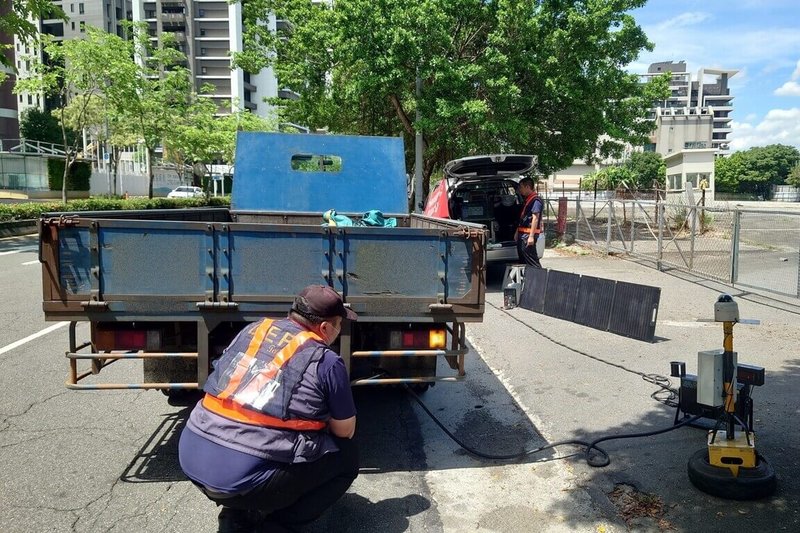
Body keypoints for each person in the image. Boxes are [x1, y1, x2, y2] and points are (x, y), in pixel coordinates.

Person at [179, 285, 360, 532]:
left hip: (191, 455)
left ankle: (236, 516)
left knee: (252, 438)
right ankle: (275, 526)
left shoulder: (253, 330)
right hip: (241, 479)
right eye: (339, 324)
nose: (339, 330)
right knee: (346, 457)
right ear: (325, 328)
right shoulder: (326, 361)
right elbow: (344, 430)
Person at [514, 177, 543, 268]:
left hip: (527, 235)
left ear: (527, 187)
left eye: (521, 187)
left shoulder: (535, 200)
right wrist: (517, 232)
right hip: (522, 234)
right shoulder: (528, 200)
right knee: (523, 260)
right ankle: (526, 280)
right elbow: (523, 218)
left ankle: (540, 280)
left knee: (531, 260)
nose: (520, 190)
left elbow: (535, 218)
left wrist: (531, 237)